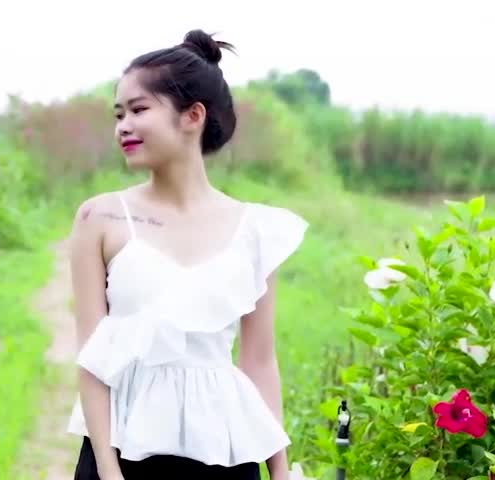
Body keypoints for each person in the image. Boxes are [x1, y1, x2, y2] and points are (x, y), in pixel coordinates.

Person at [65, 28, 308, 480]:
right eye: (119, 114)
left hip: (223, 452)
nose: (123, 126)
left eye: (139, 109)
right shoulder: (101, 218)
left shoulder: (255, 231)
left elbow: (258, 362)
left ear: (192, 115)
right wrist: (108, 470)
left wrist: (279, 470)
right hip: (123, 454)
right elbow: (93, 360)